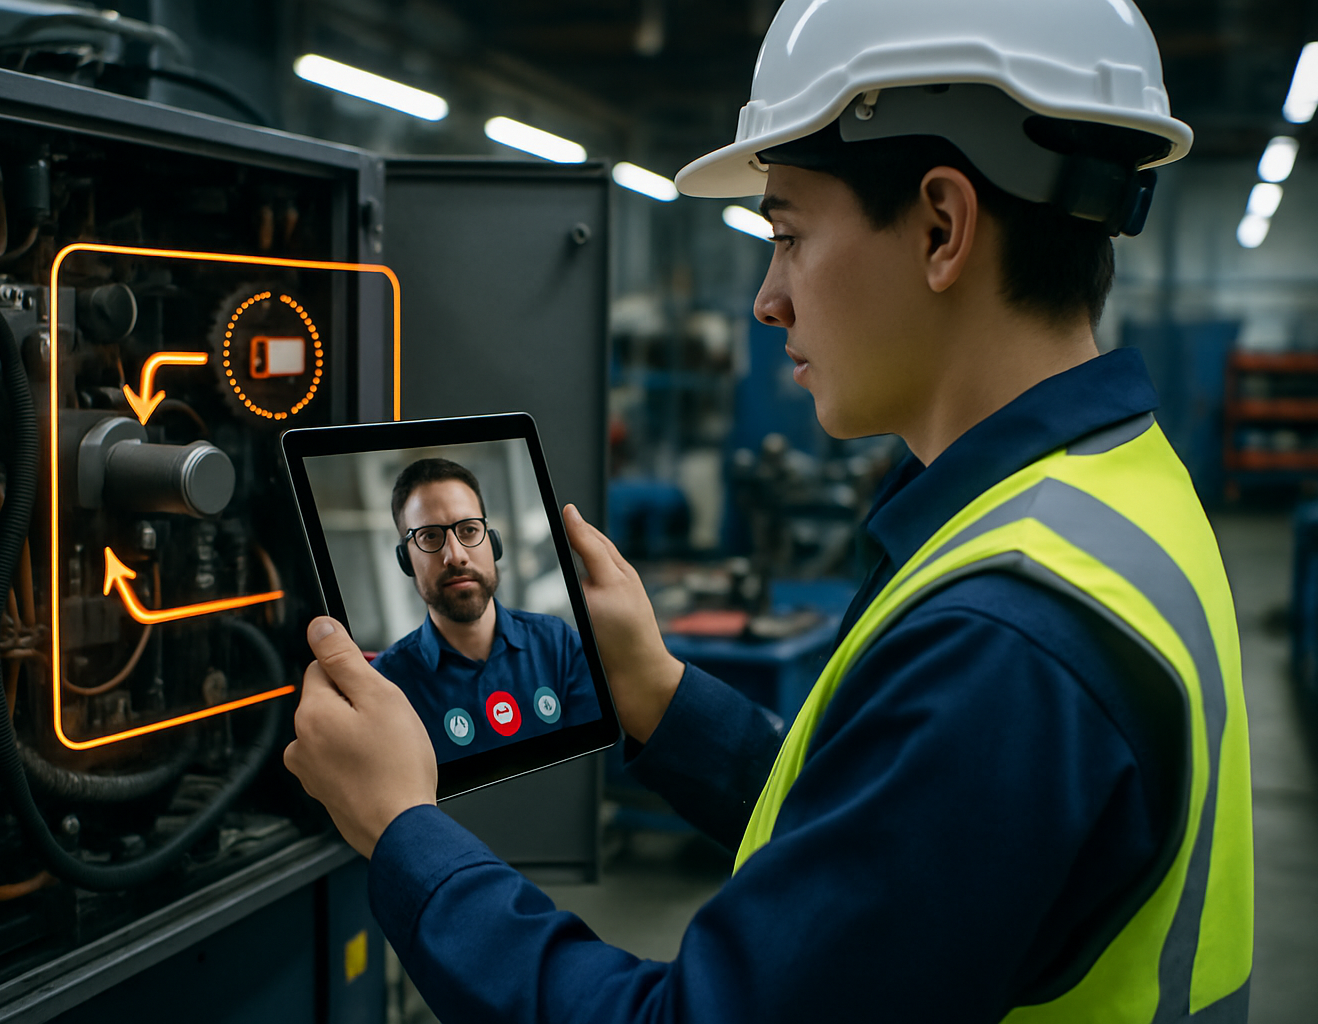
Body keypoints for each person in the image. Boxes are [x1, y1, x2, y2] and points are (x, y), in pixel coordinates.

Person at [284, 2, 1254, 1021]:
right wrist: (657, 693)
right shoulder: (1117, 487)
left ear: (941, 227)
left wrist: (403, 828)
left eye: (786, 233)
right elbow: (897, 858)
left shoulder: (1005, 640)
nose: (766, 297)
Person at [371, 458, 600, 761]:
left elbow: (586, 766)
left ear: (493, 543)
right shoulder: (383, 686)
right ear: (405, 560)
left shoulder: (558, 644)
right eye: (430, 536)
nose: (455, 556)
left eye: (468, 530)